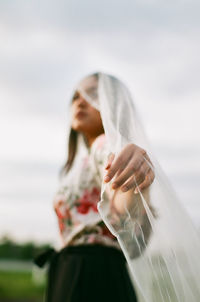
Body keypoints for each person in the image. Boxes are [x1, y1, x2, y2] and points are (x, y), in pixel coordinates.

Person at [34, 72, 155, 302]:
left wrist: (134, 180)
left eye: (92, 95)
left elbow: (121, 210)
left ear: (113, 105)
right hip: (77, 271)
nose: (80, 101)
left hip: (90, 276)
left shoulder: (106, 146)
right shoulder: (82, 161)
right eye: (76, 96)